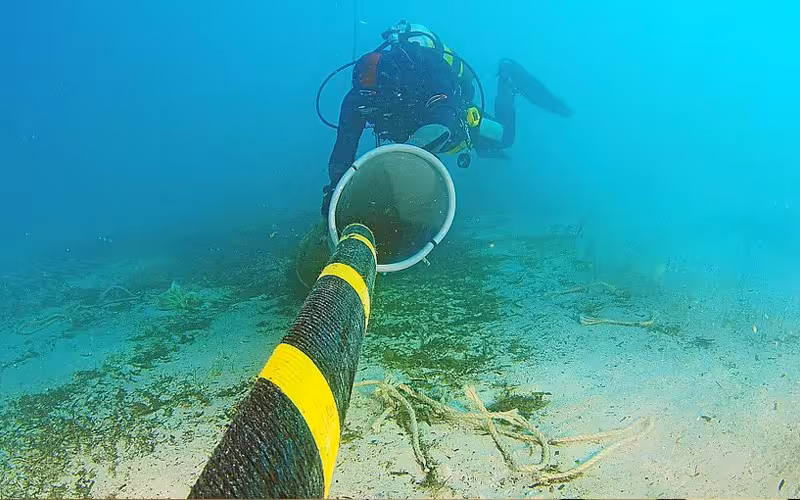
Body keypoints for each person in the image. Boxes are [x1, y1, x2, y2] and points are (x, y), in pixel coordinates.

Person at [318, 20, 574, 218]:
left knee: (504, 138)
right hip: (417, 136)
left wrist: (400, 161)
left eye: (376, 98)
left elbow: (444, 119)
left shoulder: (427, 69)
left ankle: (507, 78)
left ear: (391, 85)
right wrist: (335, 189)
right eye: (364, 99)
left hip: (451, 122)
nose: (370, 104)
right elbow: (345, 144)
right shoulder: (357, 99)